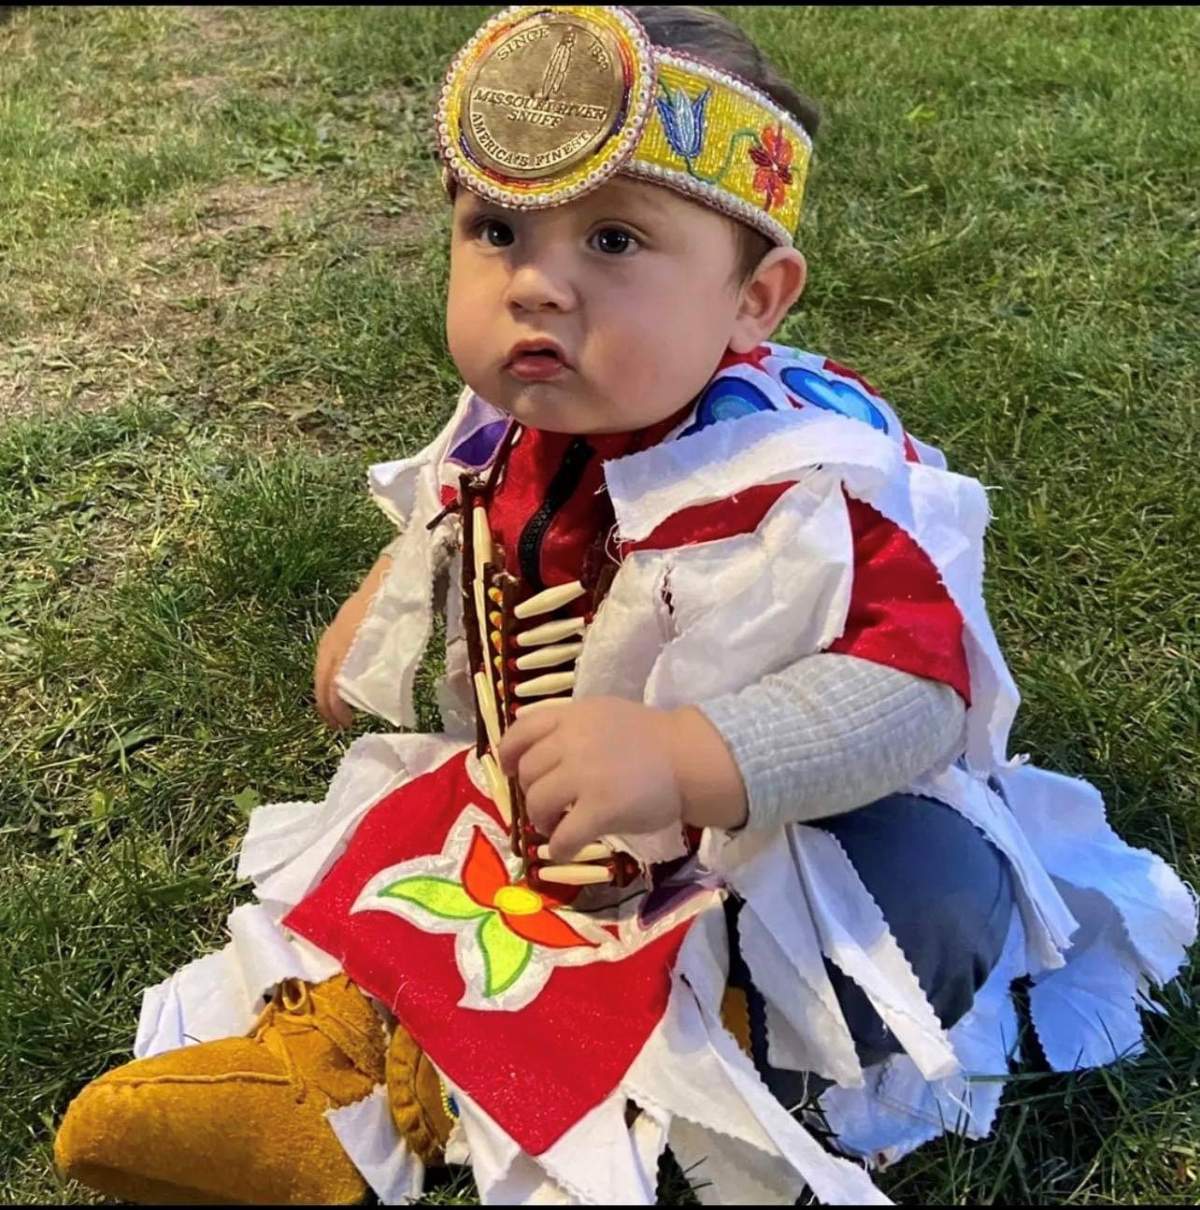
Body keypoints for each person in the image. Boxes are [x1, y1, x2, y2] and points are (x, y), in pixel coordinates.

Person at [53, 5, 1195, 1206]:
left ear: (755, 302)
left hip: (772, 833)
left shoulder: (810, 477)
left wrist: (691, 754)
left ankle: (707, 1078)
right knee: (408, 850)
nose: (536, 286)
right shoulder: (512, 430)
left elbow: (917, 691)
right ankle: (335, 1064)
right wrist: (377, 616)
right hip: (546, 800)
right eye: (494, 231)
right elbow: (450, 528)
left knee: (921, 901)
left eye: (611, 240)